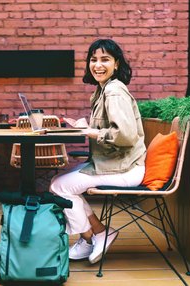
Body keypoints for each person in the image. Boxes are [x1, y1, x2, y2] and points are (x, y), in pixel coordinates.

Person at [49, 39, 146, 264]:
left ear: (117, 64)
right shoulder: (103, 90)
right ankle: (95, 235)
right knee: (59, 182)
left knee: (59, 186)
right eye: (93, 60)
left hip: (127, 168)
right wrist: (88, 127)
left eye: (105, 59)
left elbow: (126, 135)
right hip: (114, 163)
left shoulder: (113, 91)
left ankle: (95, 235)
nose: (97, 65)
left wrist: (91, 132)